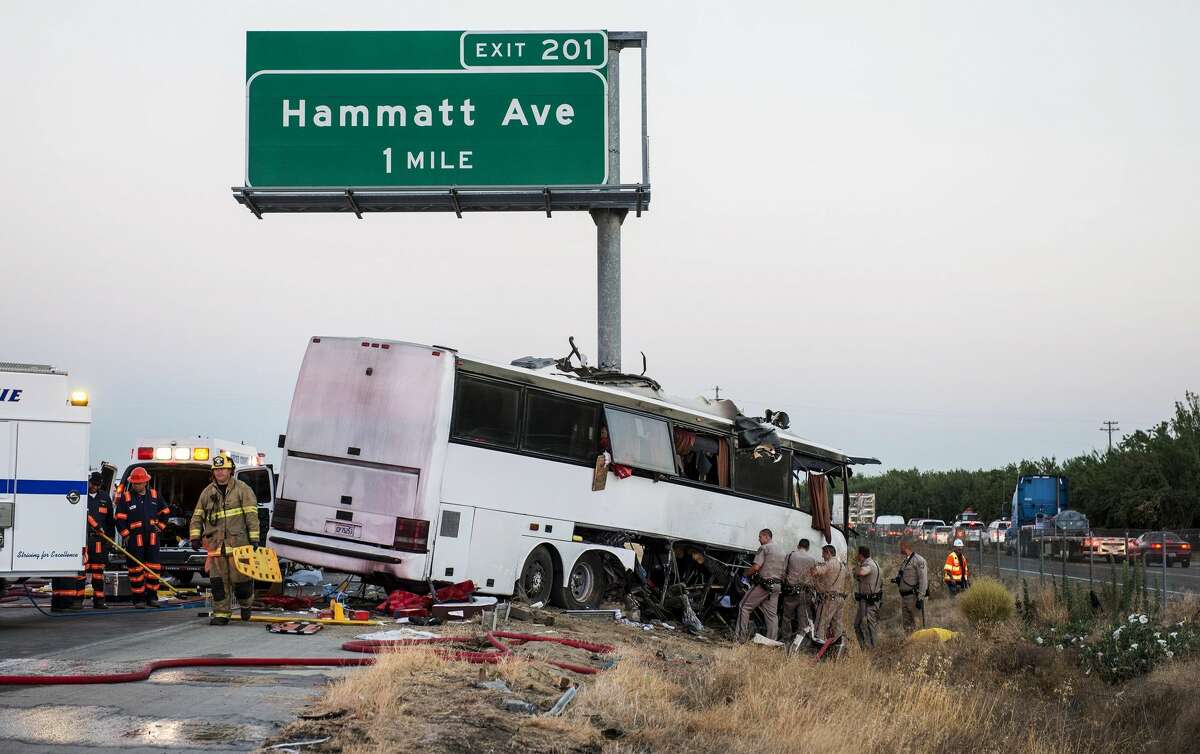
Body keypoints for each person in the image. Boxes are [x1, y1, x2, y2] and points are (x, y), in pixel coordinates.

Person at [190, 453, 260, 625]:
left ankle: (245, 604)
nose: (220, 472)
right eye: (217, 470)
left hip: (239, 546)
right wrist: (195, 536)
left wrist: (254, 538)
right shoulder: (207, 493)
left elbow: (251, 515)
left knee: (241, 582)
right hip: (215, 546)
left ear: (230, 471)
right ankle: (221, 614)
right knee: (218, 583)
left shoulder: (242, 489)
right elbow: (197, 516)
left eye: (223, 469)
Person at [115, 466, 170, 607]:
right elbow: (119, 518)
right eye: (134, 483)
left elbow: (165, 511)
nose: (136, 485)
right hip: (134, 539)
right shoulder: (126, 497)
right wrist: (125, 535)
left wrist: (160, 527)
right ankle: (138, 598)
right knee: (135, 569)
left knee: (153, 568)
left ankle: (152, 597)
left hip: (152, 537)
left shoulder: (154, 495)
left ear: (145, 482)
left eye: (138, 483)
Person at [734, 528, 786, 642]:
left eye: (760, 537)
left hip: (764, 584)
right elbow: (783, 573)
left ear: (766, 537)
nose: (758, 539)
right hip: (776, 586)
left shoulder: (764, 548)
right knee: (772, 615)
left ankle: (740, 638)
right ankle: (771, 642)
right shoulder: (782, 551)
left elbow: (756, 567)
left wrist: (745, 574)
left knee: (744, 606)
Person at [84, 471, 115, 609]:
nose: (94, 487)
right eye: (93, 484)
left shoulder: (104, 497)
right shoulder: (81, 496)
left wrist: (110, 539)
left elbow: (110, 521)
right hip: (84, 539)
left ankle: (99, 601)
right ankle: (77, 601)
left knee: (98, 572)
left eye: (97, 485)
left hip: (99, 541)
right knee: (81, 571)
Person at [779, 538, 817, 641]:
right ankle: (800, 642)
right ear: (808, 547)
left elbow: (783, 573)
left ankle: (786, 639)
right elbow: (813, 577)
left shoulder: (791, 555)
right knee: (803, 619)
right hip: (805, 593)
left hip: (791, 591)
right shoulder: (812, 559)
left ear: (798, 545)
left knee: (787, 617)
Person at [810, 544, 848, 644]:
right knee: (837, 624)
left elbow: (814, 572)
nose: (822, 556)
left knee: (823, 624)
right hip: (840, 598)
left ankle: (819, 646)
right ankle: (838, 646)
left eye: (823, 554)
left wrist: (814, 566)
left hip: (831, 599)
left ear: (828, 553)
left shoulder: (829, 563)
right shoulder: (842, 566)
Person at [895, 538, 929, 633]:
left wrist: (920, 597)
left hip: (914, 597)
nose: (899, 549)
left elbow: (923, 580)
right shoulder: (905, 561)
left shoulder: (919, 560)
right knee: (907, 626)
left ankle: (918, 646)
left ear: (904, 546)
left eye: (900, 546)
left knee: (917, 625)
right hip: (904, 598)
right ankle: (909, 644)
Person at [853, 545, 883, 649]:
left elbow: (861, 572)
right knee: (859, 624)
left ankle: (872, 649)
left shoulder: (868, 565)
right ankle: (865, 648)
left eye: (858, 554)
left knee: (870, 626)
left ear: (861, 555)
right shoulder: (874, 563)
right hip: (867, 600)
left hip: (869, 601)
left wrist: (855, 568)